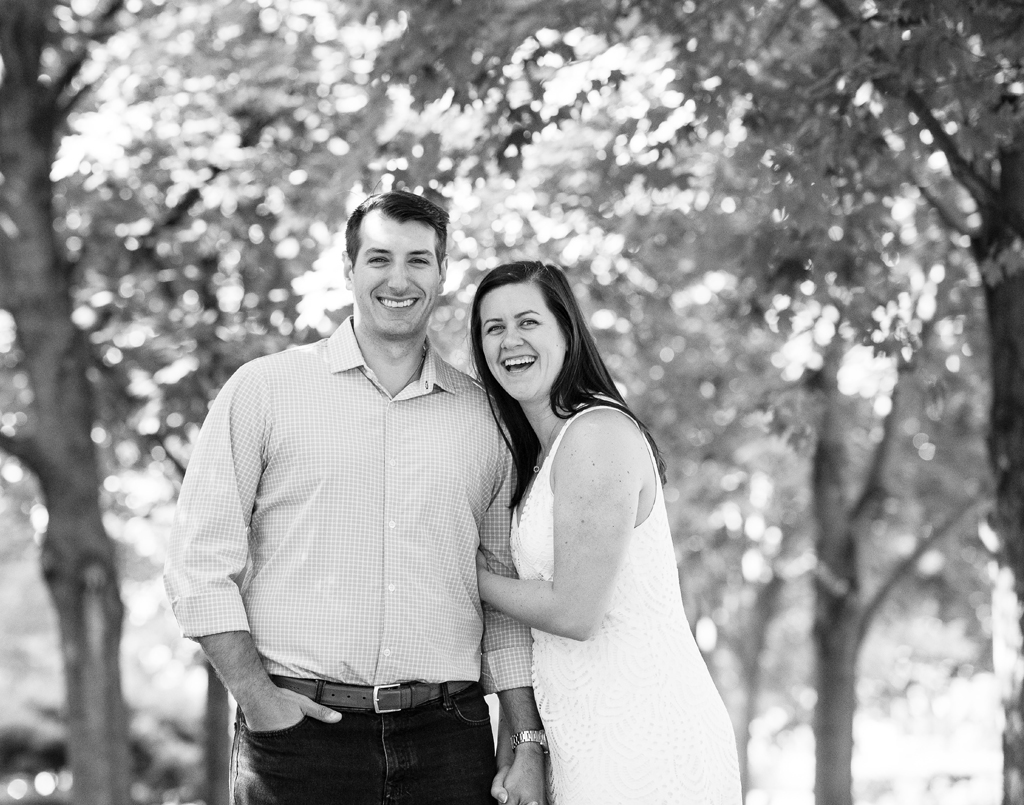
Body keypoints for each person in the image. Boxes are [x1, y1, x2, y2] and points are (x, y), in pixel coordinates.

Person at [165, 190, 548, 805]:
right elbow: (200, 561)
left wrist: (524, 733)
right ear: (349, 269)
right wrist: (259, 700)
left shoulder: (487, 416)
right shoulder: (265, 391)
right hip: (299, 737)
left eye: (419, 260)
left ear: (443, 272)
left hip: (450, 738)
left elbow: (501, 586)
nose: (399, 279)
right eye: (379, 259)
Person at [470, 261, 739, 803]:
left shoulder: (596, 435)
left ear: (567, 332)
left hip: (645, 738)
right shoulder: (542, 453)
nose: (510, 341)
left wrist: (458, 568)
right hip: (586, 738)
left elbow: (575, 612)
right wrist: (528, 742)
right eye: (493, 328)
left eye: (528, 322)